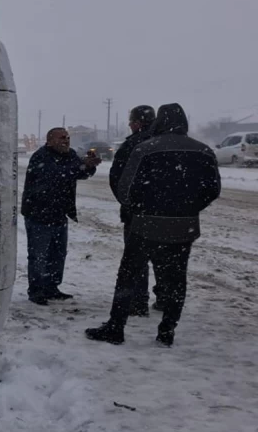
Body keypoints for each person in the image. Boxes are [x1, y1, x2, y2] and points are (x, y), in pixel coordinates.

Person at [85, 103, 221, 347]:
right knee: (176, 279)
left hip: (145, 224)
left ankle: (116, 327)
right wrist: (188, 209)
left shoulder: (144, 149)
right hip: (184, 226)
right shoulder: (204, 151)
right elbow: (212, 189)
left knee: (128, 275)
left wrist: (139, 209)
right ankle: (166, 331)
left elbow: (125, 187)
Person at [20, 127, 101, 305]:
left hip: (59, 214)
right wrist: (81, 165)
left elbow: (78, 172)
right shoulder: (41, 157)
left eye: (67, 137)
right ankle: (36, 290)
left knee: (57, 254)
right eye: (61, 138)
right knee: (38, 256)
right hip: (38, 214)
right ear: (49, 141)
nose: (66, 140)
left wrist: (89, 166)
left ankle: (51, 287)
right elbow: (56, 175)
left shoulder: (70, 154)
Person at [108, 105, 159, 315]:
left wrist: (129, 204)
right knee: (166, 258)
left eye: (131, 122)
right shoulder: (167, 142)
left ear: (137, 123)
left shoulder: (133, 145)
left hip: (138, 214)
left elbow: (118, 179)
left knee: (136, 259)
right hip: (169, 214)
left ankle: (138, 302)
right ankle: (166, 298)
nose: (130, 126)